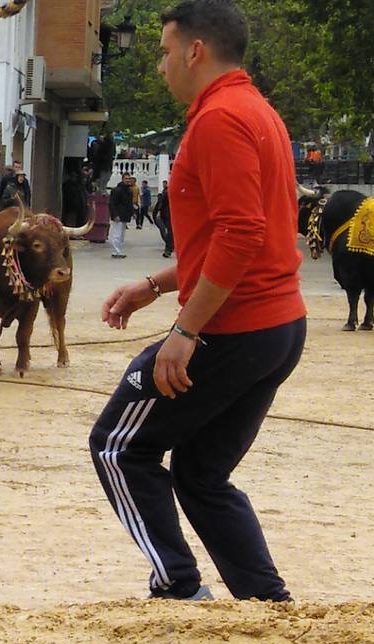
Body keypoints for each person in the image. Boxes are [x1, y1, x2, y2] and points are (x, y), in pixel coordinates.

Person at [92, 0, 306, 604]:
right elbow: (229, 235)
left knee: (117, 446)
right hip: (278, 326)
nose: (160, 65)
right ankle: (268, 605)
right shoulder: (257, 111)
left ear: (194, 51)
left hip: (235, 329)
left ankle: (178, 587)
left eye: (163, 52)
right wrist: (155, 285)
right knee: (201, 473)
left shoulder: (219, 120)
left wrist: (183, 331)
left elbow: (241, 236)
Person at [109, 173, 136, 258]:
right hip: (118, 215)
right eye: (126, 179)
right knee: (117, 233)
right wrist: (115, 215)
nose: (128, 180)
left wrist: (132, 213)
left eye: (129, 179)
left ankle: (118, 250)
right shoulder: (116, 190)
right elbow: (112, 203)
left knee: (121, 235)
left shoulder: (129, 191)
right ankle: (115, 251)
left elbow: (129, 204)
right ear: (122, 179)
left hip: (125, 215)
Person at [153, 179, 174, 257]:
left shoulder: (167, 191)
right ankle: (169, 248)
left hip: (173, 214)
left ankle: (170, 246)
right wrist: (159, 211)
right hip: (168, 214)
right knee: (169, 231)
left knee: (170, 232)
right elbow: (161, 203)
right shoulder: (166, 192)